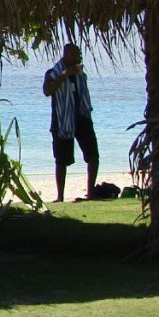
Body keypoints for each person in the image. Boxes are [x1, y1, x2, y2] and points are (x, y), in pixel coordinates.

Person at [43, 42, 98, 202]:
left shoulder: (81, 74)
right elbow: (47, 91)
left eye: (79, 55)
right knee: (61, 160)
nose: (79, 58)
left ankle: (91, 193)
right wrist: (65, 75)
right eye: (76, 54)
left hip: (82, 117)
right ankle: (60, 197)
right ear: (67, 55)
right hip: (62, 120)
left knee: (93, 155)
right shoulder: (53, 73)